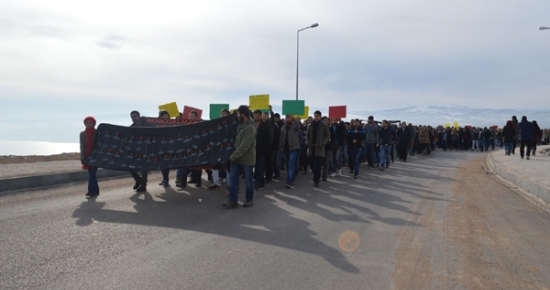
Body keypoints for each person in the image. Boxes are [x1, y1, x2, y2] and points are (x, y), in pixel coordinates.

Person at [223, 105, 257, 209]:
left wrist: (233, 156)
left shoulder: (250, 127)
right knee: (233, 179)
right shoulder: (240, 125)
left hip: (246, 159)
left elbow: (244, 146)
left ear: (243, 114)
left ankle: (249, 200)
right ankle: (233, 201)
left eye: (238, 114)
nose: (237, 116)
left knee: (248, 181)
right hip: (237, 158)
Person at [306, 110, 330, 187]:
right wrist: (308, 142)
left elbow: (327, 136)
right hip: (311, 147)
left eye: (317, 116)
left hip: (319, 148)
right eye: (315, 116)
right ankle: (316, 175)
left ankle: (316, 180)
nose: (316, 117)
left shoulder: (324, 125)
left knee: (319, 165)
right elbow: (308, 135)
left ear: (320, 117)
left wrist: (323, 143)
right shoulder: (310, 125)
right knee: (311, 163)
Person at [208, 108, 230, 190]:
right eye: (221, 113)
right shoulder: (217, 123)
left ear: (228, 115)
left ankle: (230, 184)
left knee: (227, 167)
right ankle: (216, 183)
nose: (222, 115)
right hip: (217, 148)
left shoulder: (230, 124)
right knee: (215, 166)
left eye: (224, 113)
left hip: (227, 148)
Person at [279, 113, 301, 188]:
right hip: (285, 149)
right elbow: (281, 138)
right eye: (287, 118)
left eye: (289, 118)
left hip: (293, 149)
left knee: (291, 165)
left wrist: (293, 118)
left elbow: (298, 126)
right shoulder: (283, 127)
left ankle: (288, 182)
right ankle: (292, 178)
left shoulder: (294, 126)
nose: (288, 119)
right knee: (288, 166)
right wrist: (280, 148)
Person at [129, 110, 148, 192]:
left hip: (145, 149)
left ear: (139, 116)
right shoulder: (131, 128)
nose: (134, 118)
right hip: (135, 150)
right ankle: (138, 180)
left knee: (144, 169)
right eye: (132, 117)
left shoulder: (145, 124)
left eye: (135, 116)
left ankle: (143, 185)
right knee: (130, 167)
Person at [80, 116, 99, 198]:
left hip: (95, 156)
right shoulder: (83, 134)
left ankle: (91, 191)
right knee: (92, 174)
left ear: (94, 124)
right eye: (87, 123)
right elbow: (82, 146)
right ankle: (96, 190)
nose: (89, 124)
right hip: (87, 156)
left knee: (92, 174)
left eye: (91, 123)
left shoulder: (97, 133)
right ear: (85, 124)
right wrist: (82, 157)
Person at [253, 109, 272, 189]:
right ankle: (260, 181)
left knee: (260, 166)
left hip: (262, 150)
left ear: (260, 116)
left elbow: (269, 139)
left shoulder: (266, 125)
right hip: (253, 150)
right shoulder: (252, 125)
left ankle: (259, 182)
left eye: (258, 116)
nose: (256, 117)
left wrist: (267, 150)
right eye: (255, 116)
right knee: (255, 167)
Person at [158, 110, 171, 187]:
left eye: (167, 115)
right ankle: (164, 178)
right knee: (161, 164)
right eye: (164, 115)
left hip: (168, 146)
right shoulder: (157, 124)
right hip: (160, 146)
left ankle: (166, 179)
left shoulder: (171, 123)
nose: (166, 117)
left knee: (166, 164)